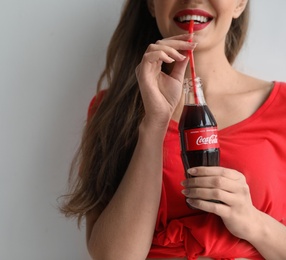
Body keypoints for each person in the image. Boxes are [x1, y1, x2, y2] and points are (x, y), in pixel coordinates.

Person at [60, 0, 286, 259]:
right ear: (152, 5)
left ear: (239, 4)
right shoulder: (111, 111)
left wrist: (253, 222)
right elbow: (114, 256)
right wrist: (154, 122)